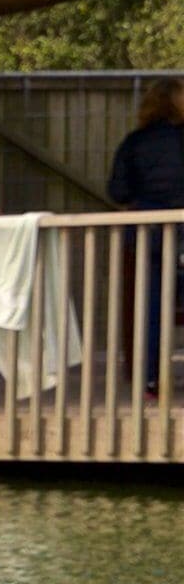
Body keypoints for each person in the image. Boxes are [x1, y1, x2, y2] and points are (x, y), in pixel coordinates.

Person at [112, 76, 184, 394]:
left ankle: (151, 380)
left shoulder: (134, 142)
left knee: (151, 305)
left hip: (148, 230)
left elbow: (117, 190)